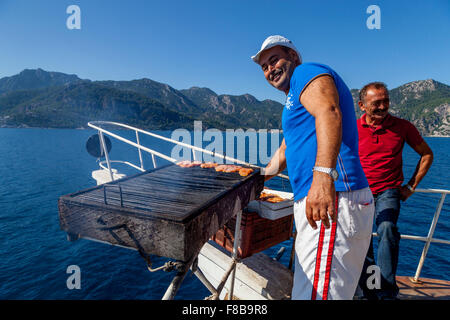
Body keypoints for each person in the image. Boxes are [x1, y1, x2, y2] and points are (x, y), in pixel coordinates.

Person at [252, 35, 375, 300]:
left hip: (333, 198)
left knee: (316, 295)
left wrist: (322, 179)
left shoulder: (305, 73)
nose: (270, 69)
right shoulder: (293, 101)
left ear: (294, 57)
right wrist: (257, 177)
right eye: (264, 67)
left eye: (274, 60)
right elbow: (287, 149)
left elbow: (329, 112)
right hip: (324, 200)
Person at [356, 82, 433, 300]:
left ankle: (387, 293)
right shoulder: (352, 128)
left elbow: (427, 154)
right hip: (360, 192)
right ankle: (371, 291)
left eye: (386, 101)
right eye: (376, 103)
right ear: (362, 105)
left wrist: (411, 186)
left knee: (387, 229)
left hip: (388, 191)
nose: (383, 106)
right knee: (363, 241)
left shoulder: (403, 126)